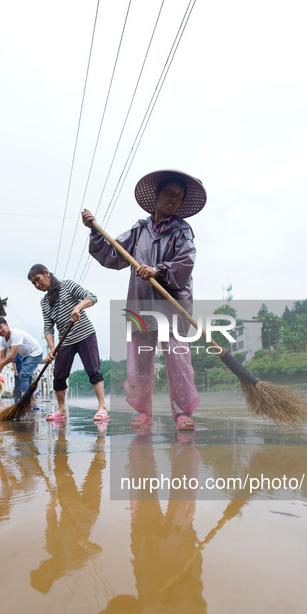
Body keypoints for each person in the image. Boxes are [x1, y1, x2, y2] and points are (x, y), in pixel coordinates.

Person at [81, 168, 206, 431]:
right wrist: (94, 230)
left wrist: (157, 270)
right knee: (140, 359)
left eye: (179, 196)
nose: (173, 199)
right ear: (158, 195)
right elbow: (113, 254)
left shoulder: (182, 231)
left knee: (177, 359)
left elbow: (185, 263)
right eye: (169, 193)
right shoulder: (139, 231)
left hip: (171, 305)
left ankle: (183, 412)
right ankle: (143, 412)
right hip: (140, 303)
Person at [28, 264, 109, 423]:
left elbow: (91, 297)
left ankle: (102, 408)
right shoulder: (44, 302)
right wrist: (52, 348)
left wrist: (78, 307)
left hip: (85, 334)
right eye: (34, 283)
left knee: (93, 371)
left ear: (46, 273)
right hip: (65, 340)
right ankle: (61, 409)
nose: (37, 285)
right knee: (59, 376)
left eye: (38, 280)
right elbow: (48, 327)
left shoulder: (67, 285)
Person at [0, 317, 43, 399]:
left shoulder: (15, 334)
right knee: (27, 379)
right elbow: (2, 358)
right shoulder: (3, 341)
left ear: (6, 325)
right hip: (26, 356)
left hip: (35, 353)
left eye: (1, 327)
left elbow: (12, 355)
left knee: (23, 375)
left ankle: (24, 401)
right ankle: (33, 403)